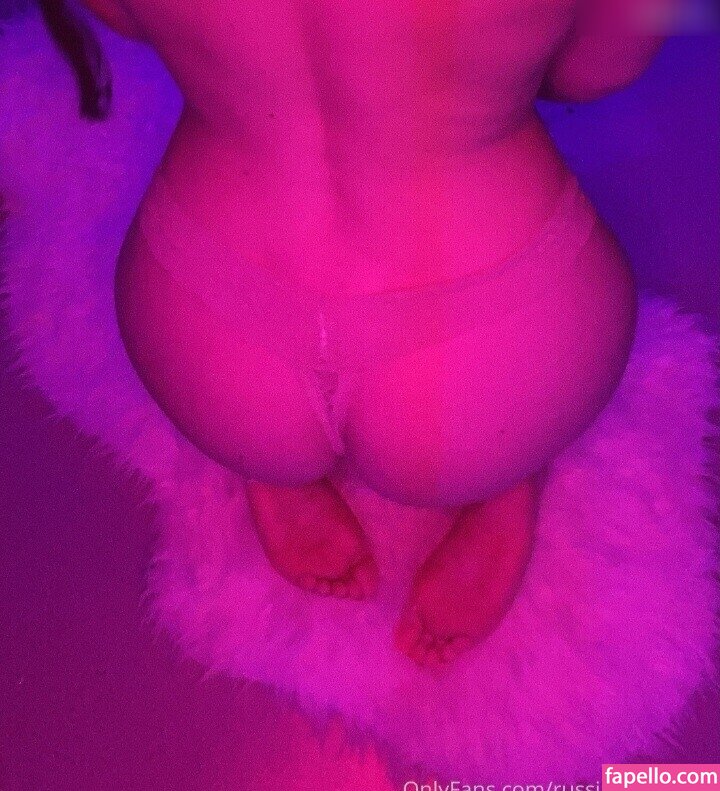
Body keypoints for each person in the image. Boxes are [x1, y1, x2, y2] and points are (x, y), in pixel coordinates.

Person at [75, 0, 674, 669]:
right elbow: (594, 72)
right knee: (510, 403)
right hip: (485, 345)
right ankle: (505, 478)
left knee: (245, 404)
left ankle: (266, 463)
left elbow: (123, 20)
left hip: (205, 320)